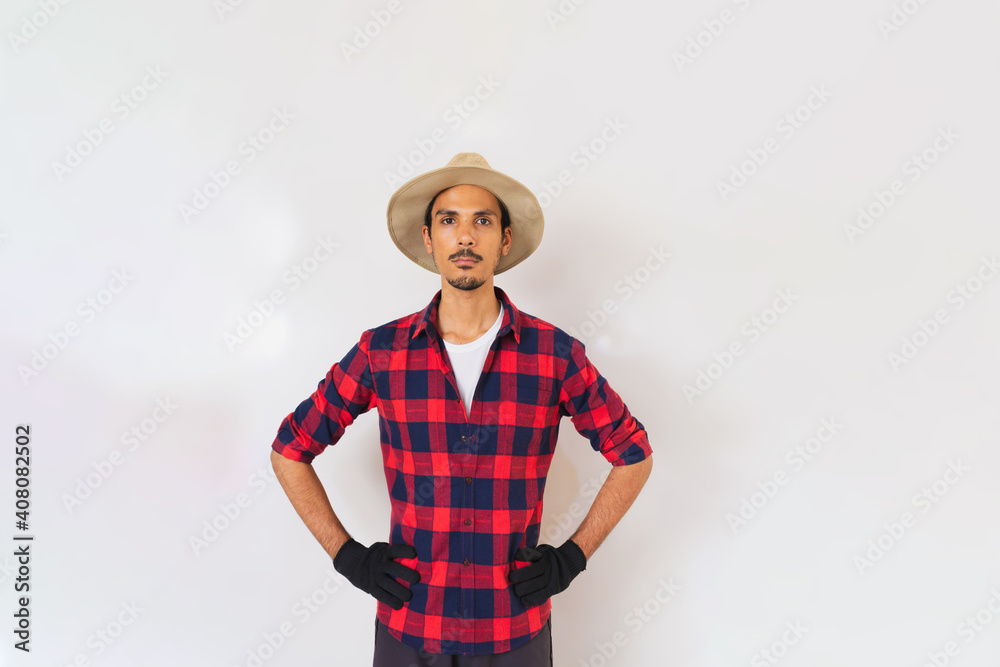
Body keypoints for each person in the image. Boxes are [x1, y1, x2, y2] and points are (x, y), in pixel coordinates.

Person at [270, 152, 653, 666]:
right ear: (430, 239)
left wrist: (572, 559)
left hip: (514, 632)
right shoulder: (381, 352)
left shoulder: (554, 354)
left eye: (483, 220)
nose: (466, 236)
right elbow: (290, 450)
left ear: (505, 239)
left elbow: (633, 454)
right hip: (410, 628)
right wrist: (349, 558)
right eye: (449, 220)